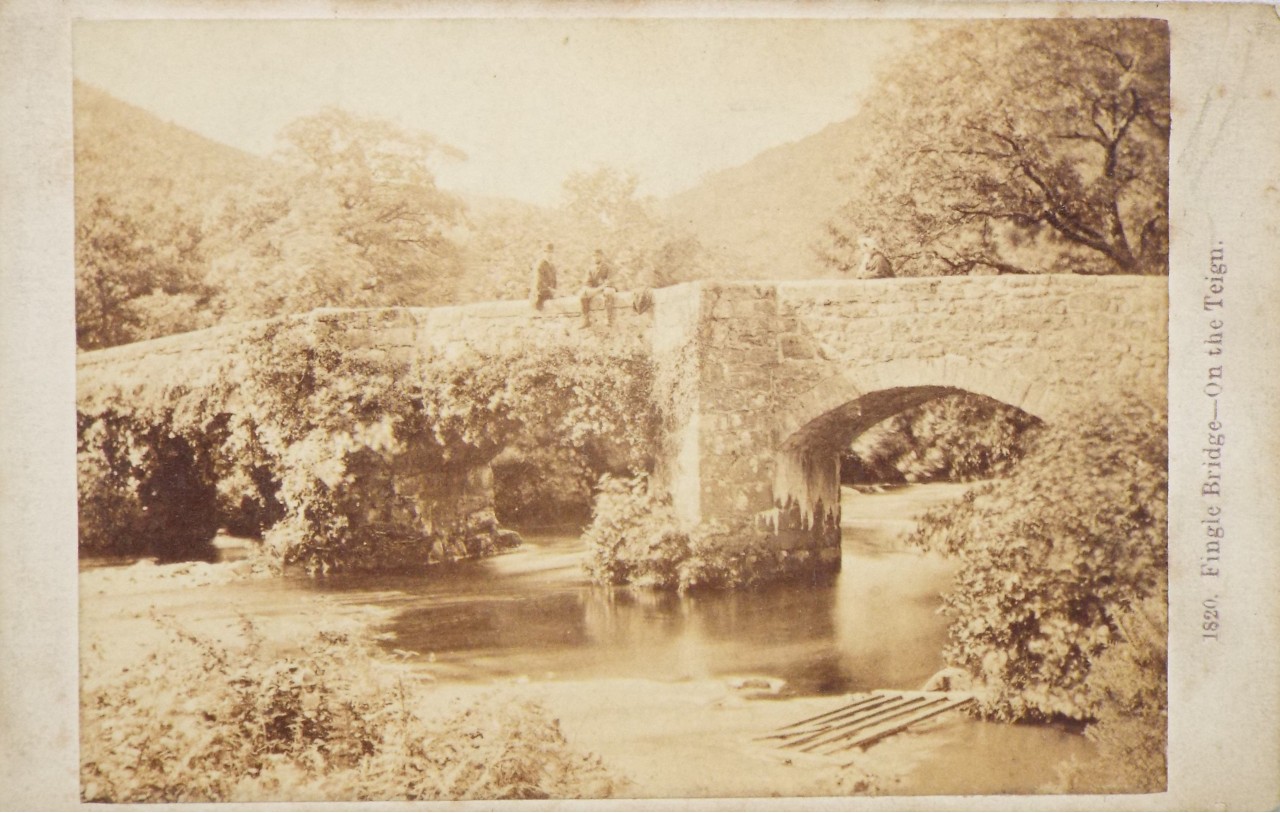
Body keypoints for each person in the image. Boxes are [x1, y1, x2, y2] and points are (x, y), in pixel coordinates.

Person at [579, 249, 617, 326]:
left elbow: (609, 282)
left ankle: (609, 318)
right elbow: (587, 283)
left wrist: (601, 287)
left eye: (598, 256)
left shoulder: (608, 267)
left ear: (602, 256)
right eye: (594, 256)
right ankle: (586, 319)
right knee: (583, 294)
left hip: (607, 288)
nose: (596, 258)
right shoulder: (591, 269)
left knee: (608, 292)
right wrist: (590, 289)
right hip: (596, 289)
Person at [530, 243, 558, 309]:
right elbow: (539, 283)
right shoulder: (540, 265)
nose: (549, 255)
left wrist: (555, 291)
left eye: (551, 252)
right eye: (547, 252)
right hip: (539, 296)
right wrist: (551, 291)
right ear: (543, 253)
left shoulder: (552, 266)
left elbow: (554, 282)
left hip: (549, 294)